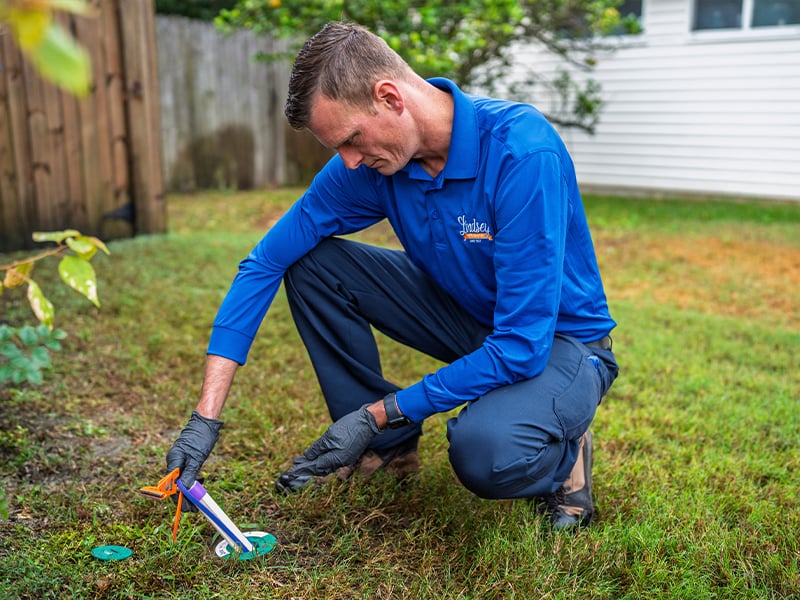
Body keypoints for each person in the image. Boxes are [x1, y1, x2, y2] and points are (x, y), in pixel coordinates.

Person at [166, 21, 619, 530]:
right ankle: (387, 451)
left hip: (558, 340)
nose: (350, 160)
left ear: (389, 97)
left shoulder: (520, 151)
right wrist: (206, 418)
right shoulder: (373, 166)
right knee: (313, 264)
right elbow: (265, 262)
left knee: (486, 453)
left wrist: (378, 411)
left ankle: (566, 455)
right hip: (471, 316)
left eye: (352, 139)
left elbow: (521, 344)